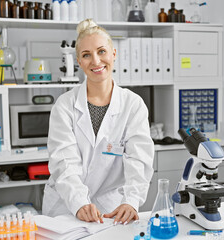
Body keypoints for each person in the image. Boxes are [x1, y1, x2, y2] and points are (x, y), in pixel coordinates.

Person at [42, 19, 154, 225]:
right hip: (66, 206)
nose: (95, 61)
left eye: (101, 51)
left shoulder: (133, 104)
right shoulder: (65, 105)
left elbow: (139, 160)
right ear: (79, 61)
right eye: (86, 55)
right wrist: (78, 202)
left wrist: (132, 201)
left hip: (111, 207)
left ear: (113, 54)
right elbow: (64, 163)